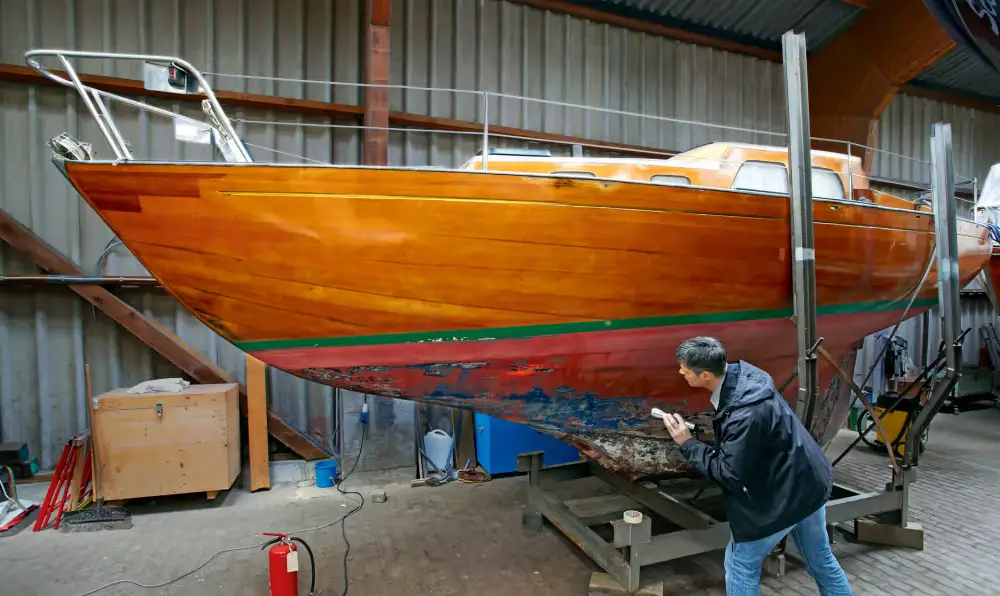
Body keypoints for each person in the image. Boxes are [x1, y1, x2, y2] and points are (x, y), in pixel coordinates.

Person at [662, 336, 853, 596]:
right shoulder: (747, 381)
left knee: (740, 565)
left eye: (684, 369)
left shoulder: (743, 413)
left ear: (706, 374)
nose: (680, 372)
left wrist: (688, 444)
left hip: (784, 495)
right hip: (808, 481)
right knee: (822, 561)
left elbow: (729, 474)